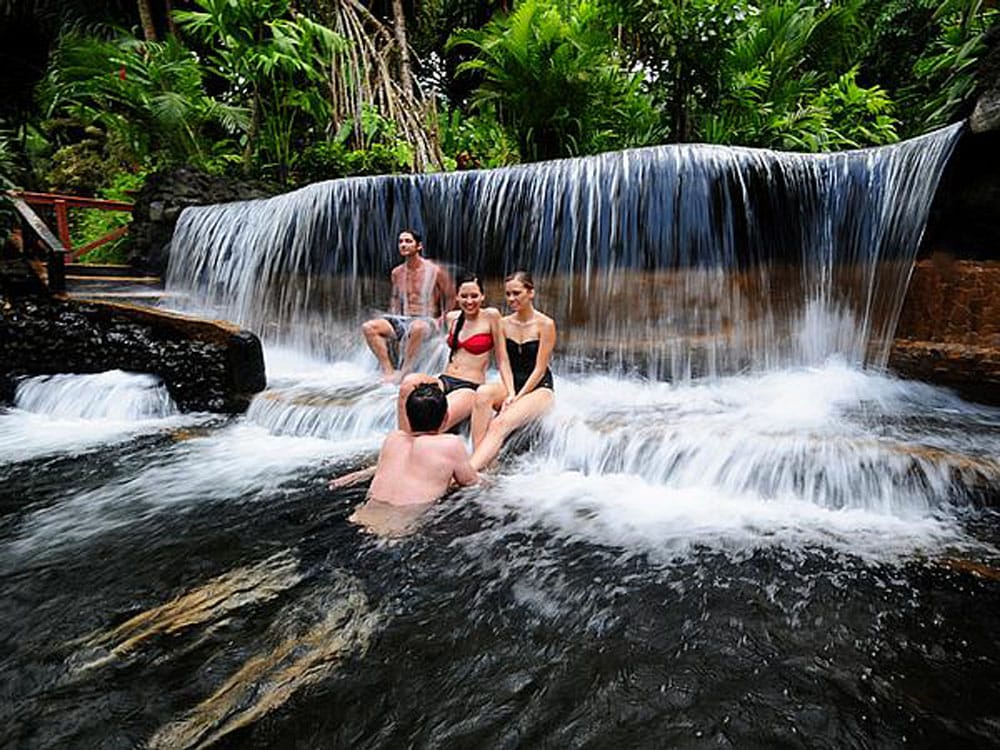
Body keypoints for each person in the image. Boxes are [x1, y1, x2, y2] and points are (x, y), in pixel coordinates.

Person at [330, 383, 479, 534]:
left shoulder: (393, 439)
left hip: (360, 517)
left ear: (408, 416)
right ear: (446, 417)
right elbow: (471, 482)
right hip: (402, 526)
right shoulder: (450, 444)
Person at [397, 272, 514, 434]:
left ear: (482, 297)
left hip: (469, 386)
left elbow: (502, 359)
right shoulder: (453, 318)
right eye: (464, 296)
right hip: (444, 380)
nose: (469, 301)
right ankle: (404, 438)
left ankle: (420, 446)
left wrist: (511, 392)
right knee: (407, 384)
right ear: (457, 298)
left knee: (436, 421)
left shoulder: (491, 316)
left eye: (474, 296)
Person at [470, 270, 556, 470]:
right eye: (508, 294)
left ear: (531, 293)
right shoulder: (503, 323)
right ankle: (484, 462)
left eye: (516, 293)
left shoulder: (545, 324)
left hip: (539, 388)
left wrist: (517, 397)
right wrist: (510, 393)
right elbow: (503, 361)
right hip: (512, 384)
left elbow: (540, 368)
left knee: (499, 423)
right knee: (482, 394)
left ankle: (468, 472)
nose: (511, 299)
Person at [361, 229, 455, 382]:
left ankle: (405, 371)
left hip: (426, 320)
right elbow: (396, 298)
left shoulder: (435, 271)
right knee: (369, 327)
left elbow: (451, 296)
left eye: (408, 241)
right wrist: (390, 315)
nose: (403, 245)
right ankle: (388, 370)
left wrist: (442, 319)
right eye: (400, 242)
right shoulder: (397, 273)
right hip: (402, 318)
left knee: (417, 327)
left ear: (419, 246)